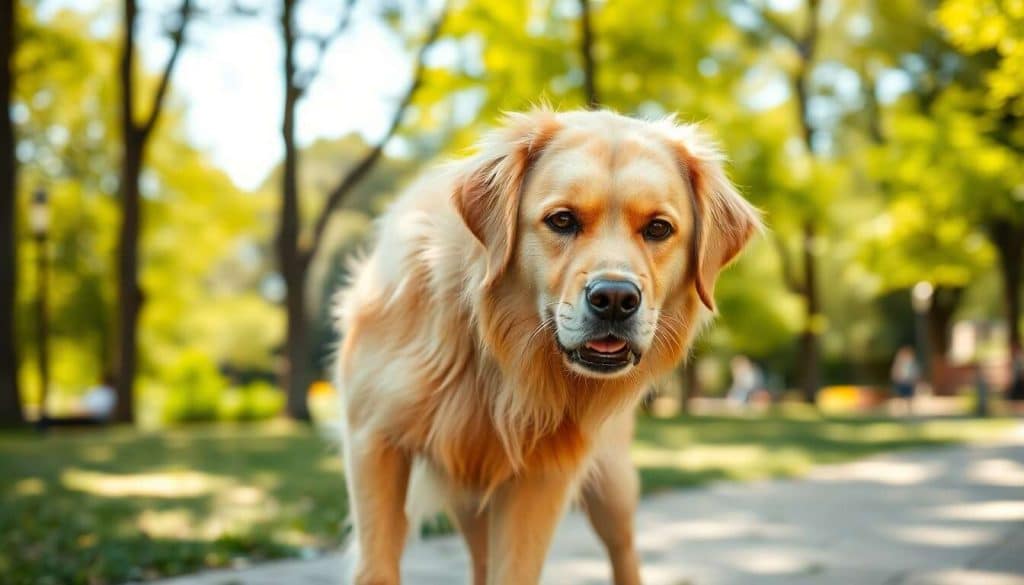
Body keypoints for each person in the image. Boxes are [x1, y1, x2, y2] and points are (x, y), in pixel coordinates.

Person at [890, 346, 920, 415]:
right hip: (902, 382)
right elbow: (895, 372)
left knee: (909, 396)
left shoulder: (912, 363)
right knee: (901, 396)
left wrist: (915, 380)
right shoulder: (899, 362)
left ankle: (909, 410)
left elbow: (915, 372)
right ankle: (900, 410)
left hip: (909, 382)